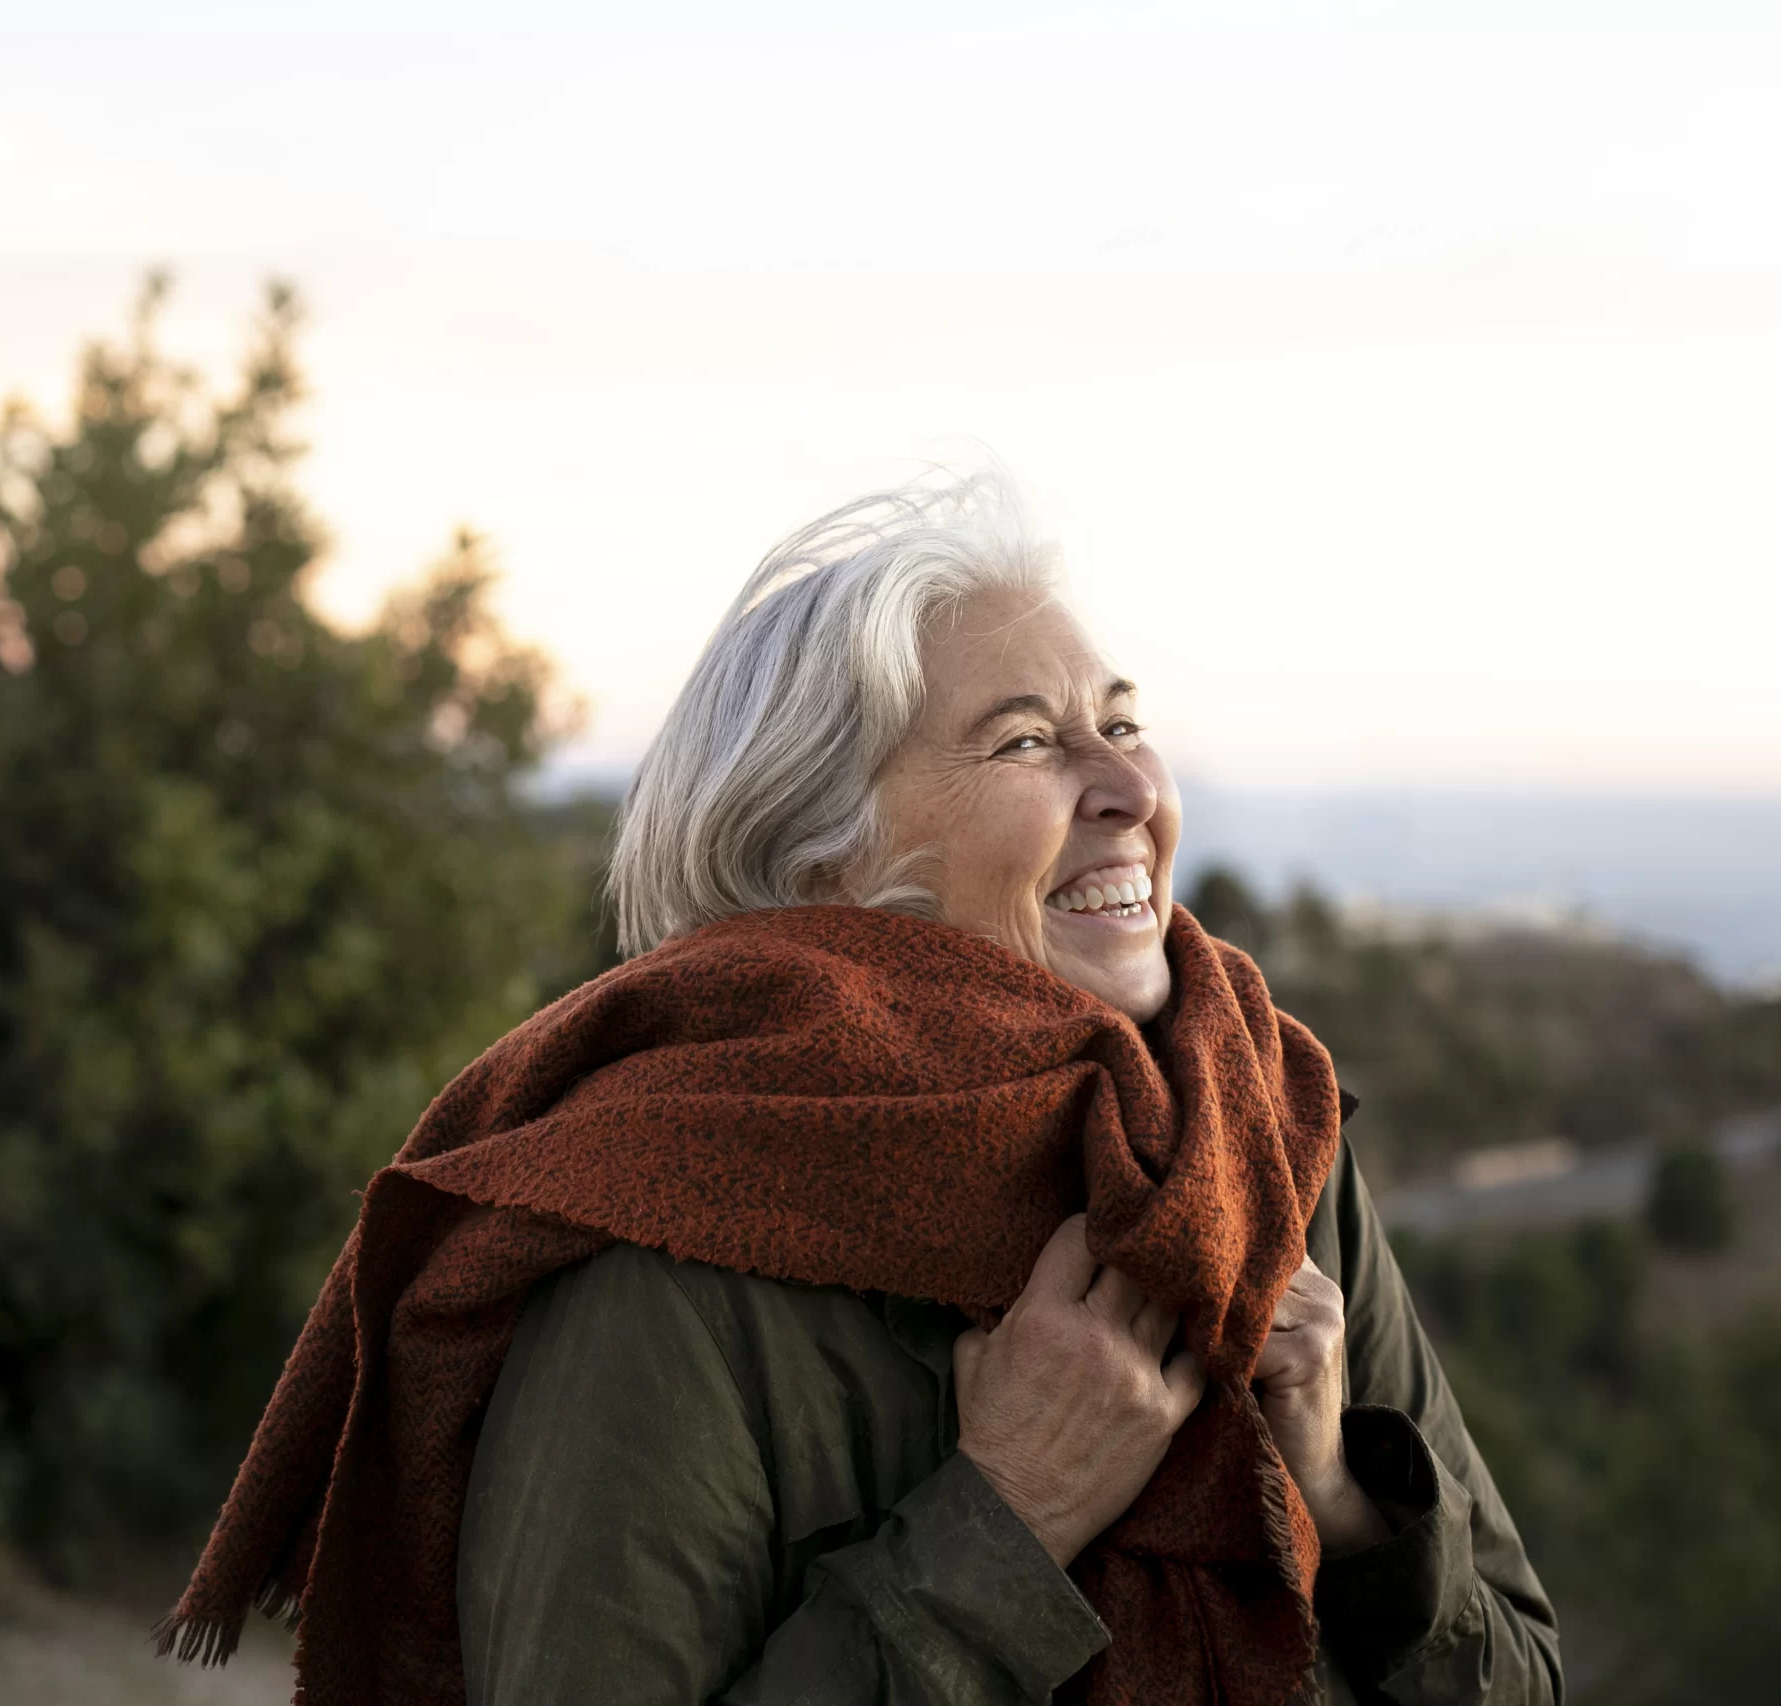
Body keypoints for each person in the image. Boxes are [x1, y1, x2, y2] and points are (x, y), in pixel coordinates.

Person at [164, 475, 1560, 1706]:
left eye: (1122, 722)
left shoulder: (1258, 1141)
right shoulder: (663, 1237)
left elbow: (1524, 1672)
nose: (1125, 782)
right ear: (819, 857)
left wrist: (1339, 1500)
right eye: (1026, 740)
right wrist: (1004, 1522)